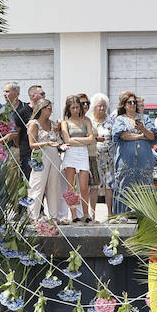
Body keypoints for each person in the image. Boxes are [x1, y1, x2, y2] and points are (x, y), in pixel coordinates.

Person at [110, 90, 157, 212]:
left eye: (134, 102)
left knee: (145, 186)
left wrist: (143, 129)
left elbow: (152, 136)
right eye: (129, 102)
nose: (132, 104)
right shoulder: (120, 119)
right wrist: (141, 136)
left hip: (144, 160)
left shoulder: (144, 118)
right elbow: (123, 135)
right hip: (126, 161)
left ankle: (145, 214)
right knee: (124, 186)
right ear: (124, 105)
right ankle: (122, 215)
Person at [59, 95, 96, 223]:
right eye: (73, 108)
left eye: (77, 107)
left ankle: (86, 214)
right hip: (70, 153)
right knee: (71, 187)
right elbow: (67, 140)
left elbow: (91, 138)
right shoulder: (65, 122)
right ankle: (74, 214)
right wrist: (81, 140)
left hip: (82, 153)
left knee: (84, 186)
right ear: (68, 108)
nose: (75, 110)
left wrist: (76, 140)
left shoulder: (86, 120)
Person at [26, 98, 65, 221]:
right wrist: (46, 143)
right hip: (40, 155)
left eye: (50, 107)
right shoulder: (34, 124)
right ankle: (33, 216)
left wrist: (60, 146)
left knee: (54, 186)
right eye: (47, 107)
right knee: (37, 185)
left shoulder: (53, 124)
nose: (50, 110)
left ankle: (54, 216)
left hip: (54, 154)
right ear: (41, 109)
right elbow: (31, 144)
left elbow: (58, 140)